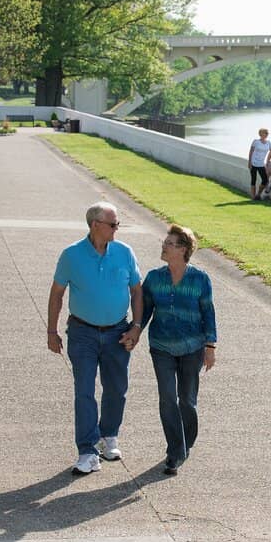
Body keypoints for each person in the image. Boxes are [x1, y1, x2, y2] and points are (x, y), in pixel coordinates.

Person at [48, 201, 144, 475]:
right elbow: (57, 293)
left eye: (117, 224)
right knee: (85, 392)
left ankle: (109, 435)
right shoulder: (71, 255)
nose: (117, 228)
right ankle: (88, 451)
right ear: (95, 225)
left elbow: (137, 291)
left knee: (116, 389)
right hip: (82, 333)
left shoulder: (124, 252)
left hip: (118, 331)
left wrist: (136, 326)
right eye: (113, 224)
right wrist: (51, 331)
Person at [140, 224, 217, 475]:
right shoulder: (153, 278)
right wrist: (134, 332)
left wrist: (210, 346)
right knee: (167, 399)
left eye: (169, 243)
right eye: (165, 242)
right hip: (161, 346)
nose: (163, 245)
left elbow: (208, 312)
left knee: (187, 401)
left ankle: (186, 441)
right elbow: (144, 311)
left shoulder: (200, 279)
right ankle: (175, 451)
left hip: (192, 348)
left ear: (183, 249)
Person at [247, 128, 271, 200]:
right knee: (253, 180)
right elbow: (251, 151)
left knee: (265, 180)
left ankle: (258, 194)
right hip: (253, 163)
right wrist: (249, 162)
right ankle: (253, 197)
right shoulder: (256, 142)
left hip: (261, 164)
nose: (266, 134)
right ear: (260, 134)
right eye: (265, 133)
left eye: (267, 133)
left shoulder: (269, 143)